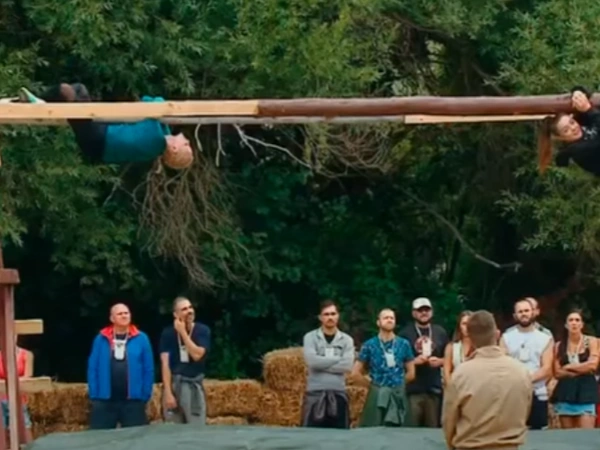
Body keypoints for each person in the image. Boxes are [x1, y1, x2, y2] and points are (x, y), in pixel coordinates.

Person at [18, 84, 193, 169]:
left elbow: (153, 102)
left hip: (98, 141)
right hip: (100, 137)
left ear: (174, 149)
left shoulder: (155, 138)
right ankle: (40, 103)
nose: (188, 141)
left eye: (186, 145)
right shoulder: (160, 132)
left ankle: (38, 104)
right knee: (80, 90)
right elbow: (148, 102)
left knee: (67, 91)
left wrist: (161, 109)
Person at [442, 310, 532, 450]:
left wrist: (451, 444)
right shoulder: (521, 371)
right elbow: (525, 410)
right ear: (497, 334)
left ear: (470, 337)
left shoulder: (461, 374)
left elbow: (449, 419)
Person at [87, 303, 154, 429]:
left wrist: (145, 394)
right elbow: (92, 368)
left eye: (126, 313)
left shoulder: (141, 338)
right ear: (112, 318)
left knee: (135, 437)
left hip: (133, 400)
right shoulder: (100, 339)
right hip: (104, 400)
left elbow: (148, 368)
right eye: (120, 314)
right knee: (100, 437)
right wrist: (94, 394)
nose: (124, 316)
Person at [352, 308, 415, 427]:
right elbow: (355, 373)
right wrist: (372, 386)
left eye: (392, 318)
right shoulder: (369, 345)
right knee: (373, 427)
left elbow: (411, 373)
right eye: (386, 318)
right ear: (378, 322)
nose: (389, 320)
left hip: (398, 392)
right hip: (377, 392)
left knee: (401, 431)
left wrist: (399, 384)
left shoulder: (404, 344)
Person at [500, 298, 553, 430]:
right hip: (513, 393)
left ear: (533, 312)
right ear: (515, 315)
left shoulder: (545, 338)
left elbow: (547, 367)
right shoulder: (506, 337)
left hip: (538, 393)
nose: (524, 314)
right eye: (520, 311)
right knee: (512, 431)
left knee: (539, 435)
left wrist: (528, 379)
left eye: (526, 311)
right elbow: (502, 363)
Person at [301, 300, 355, 429]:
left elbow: (347, 365)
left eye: (333, 314)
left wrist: (322, 362)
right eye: (326, 314)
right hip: (315, 394)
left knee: (339, 436)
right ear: (320, 317)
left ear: (338, 316)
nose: (330, 317)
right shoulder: (310, 337)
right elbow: (312, 362)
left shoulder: (347, 340)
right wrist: (337, 358)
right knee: (311, 436)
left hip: (338, 394)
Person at [159, 296, 211, 425]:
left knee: (195, 428)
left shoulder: (202, 330)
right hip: (175, 383)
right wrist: (168, 392)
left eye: (190, 307)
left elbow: (197, 355)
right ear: (176, 315)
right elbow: (165, 364)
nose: (189, 311)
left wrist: (183, 333)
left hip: (192, 385)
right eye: (184, 309)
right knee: (173, 429)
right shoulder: (167, 334)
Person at [398, 297, 449, 427]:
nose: (424, 313)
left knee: (432, 429)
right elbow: (397, 361)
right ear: (414, 313)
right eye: (420, 310)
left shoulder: (440, 332)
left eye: (427, 310)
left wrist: (440, 361)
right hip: (413, 389)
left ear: (432, 312)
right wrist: (413, 362)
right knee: (411, 429)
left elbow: (449, 357)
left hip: (434, 389)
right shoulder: (405, 334)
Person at [550, 309, 599, 429]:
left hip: (586, 392)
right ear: (566, 325)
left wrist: (569, 367)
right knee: (568, 436)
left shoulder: (591, 341)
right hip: (566, 393)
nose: (574, 323)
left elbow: (593, 365)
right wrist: (583, 368)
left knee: (586, 435)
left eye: (577, 320)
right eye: (571, 320)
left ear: (582, 324)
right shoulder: (559, 345)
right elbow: (557, 372)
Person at [538, 86, 600, 175]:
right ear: (560, 137)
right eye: (566, 130)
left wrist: (576, 92)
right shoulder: (578, 152)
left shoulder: (583, 122)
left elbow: (587, 93)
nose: (573, 128)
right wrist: (588, 109)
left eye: (572, 122)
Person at [0, 345, 33, 445]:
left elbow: (28, 377)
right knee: (2, 430)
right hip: (1, 398)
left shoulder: (27, 355)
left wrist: (10, 382)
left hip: (19, 398)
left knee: (25, 426)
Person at [443, 310, 473, 387]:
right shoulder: (451, 347)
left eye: (470, 323)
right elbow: (446, 373)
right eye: (464, 324)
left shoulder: (480, 346)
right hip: (456, 387)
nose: (467, 327)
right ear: (459, 326)